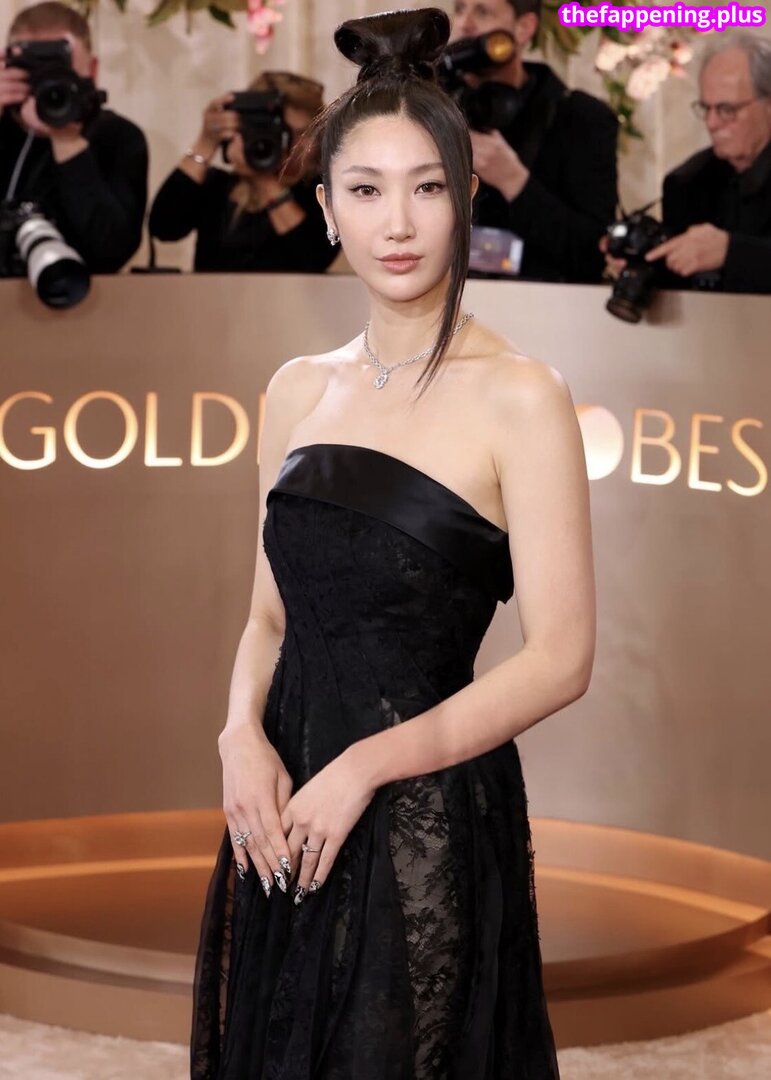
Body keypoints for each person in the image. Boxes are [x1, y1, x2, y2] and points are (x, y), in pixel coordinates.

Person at [191, 9, 595, 1079]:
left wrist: (364, 768)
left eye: (427, 187)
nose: (398, 222)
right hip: (281, 807)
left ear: (464, 198)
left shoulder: (521, 395)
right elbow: (268, 614)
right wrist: (237, 735)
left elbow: (562, 659)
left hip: (424, 814)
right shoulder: (295, 391)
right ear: (326, 208)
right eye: (365, 191)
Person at [449, 0, 618, 283]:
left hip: (542, 304)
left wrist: (514, 181)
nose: (465, 24)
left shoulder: (581, 117)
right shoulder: (436, 107)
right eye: (460, 9)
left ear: (524, 28)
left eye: (483, 12)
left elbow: (593, 253)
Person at [604, 33, 771, 294]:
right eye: (706, 108)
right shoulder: (688, 183)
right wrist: (644, 261)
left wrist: (731, 252)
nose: (712, 123)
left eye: (727, 110)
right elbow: (680, 288)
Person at [0, 1, 148, 275]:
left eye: (60, 69)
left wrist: (68, 143)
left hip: (86, 300)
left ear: (92, 70)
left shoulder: (118, 137)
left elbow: (112, 252)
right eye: (34, 69)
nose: (46, 82)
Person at [148, 71, 338, 273]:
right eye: (283, 133)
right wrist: (206, 141)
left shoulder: (324, 191)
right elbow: (164, 228)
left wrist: (264, 181)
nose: (297, 144)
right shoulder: (219, 186)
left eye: (305, 133)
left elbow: (313, 260)